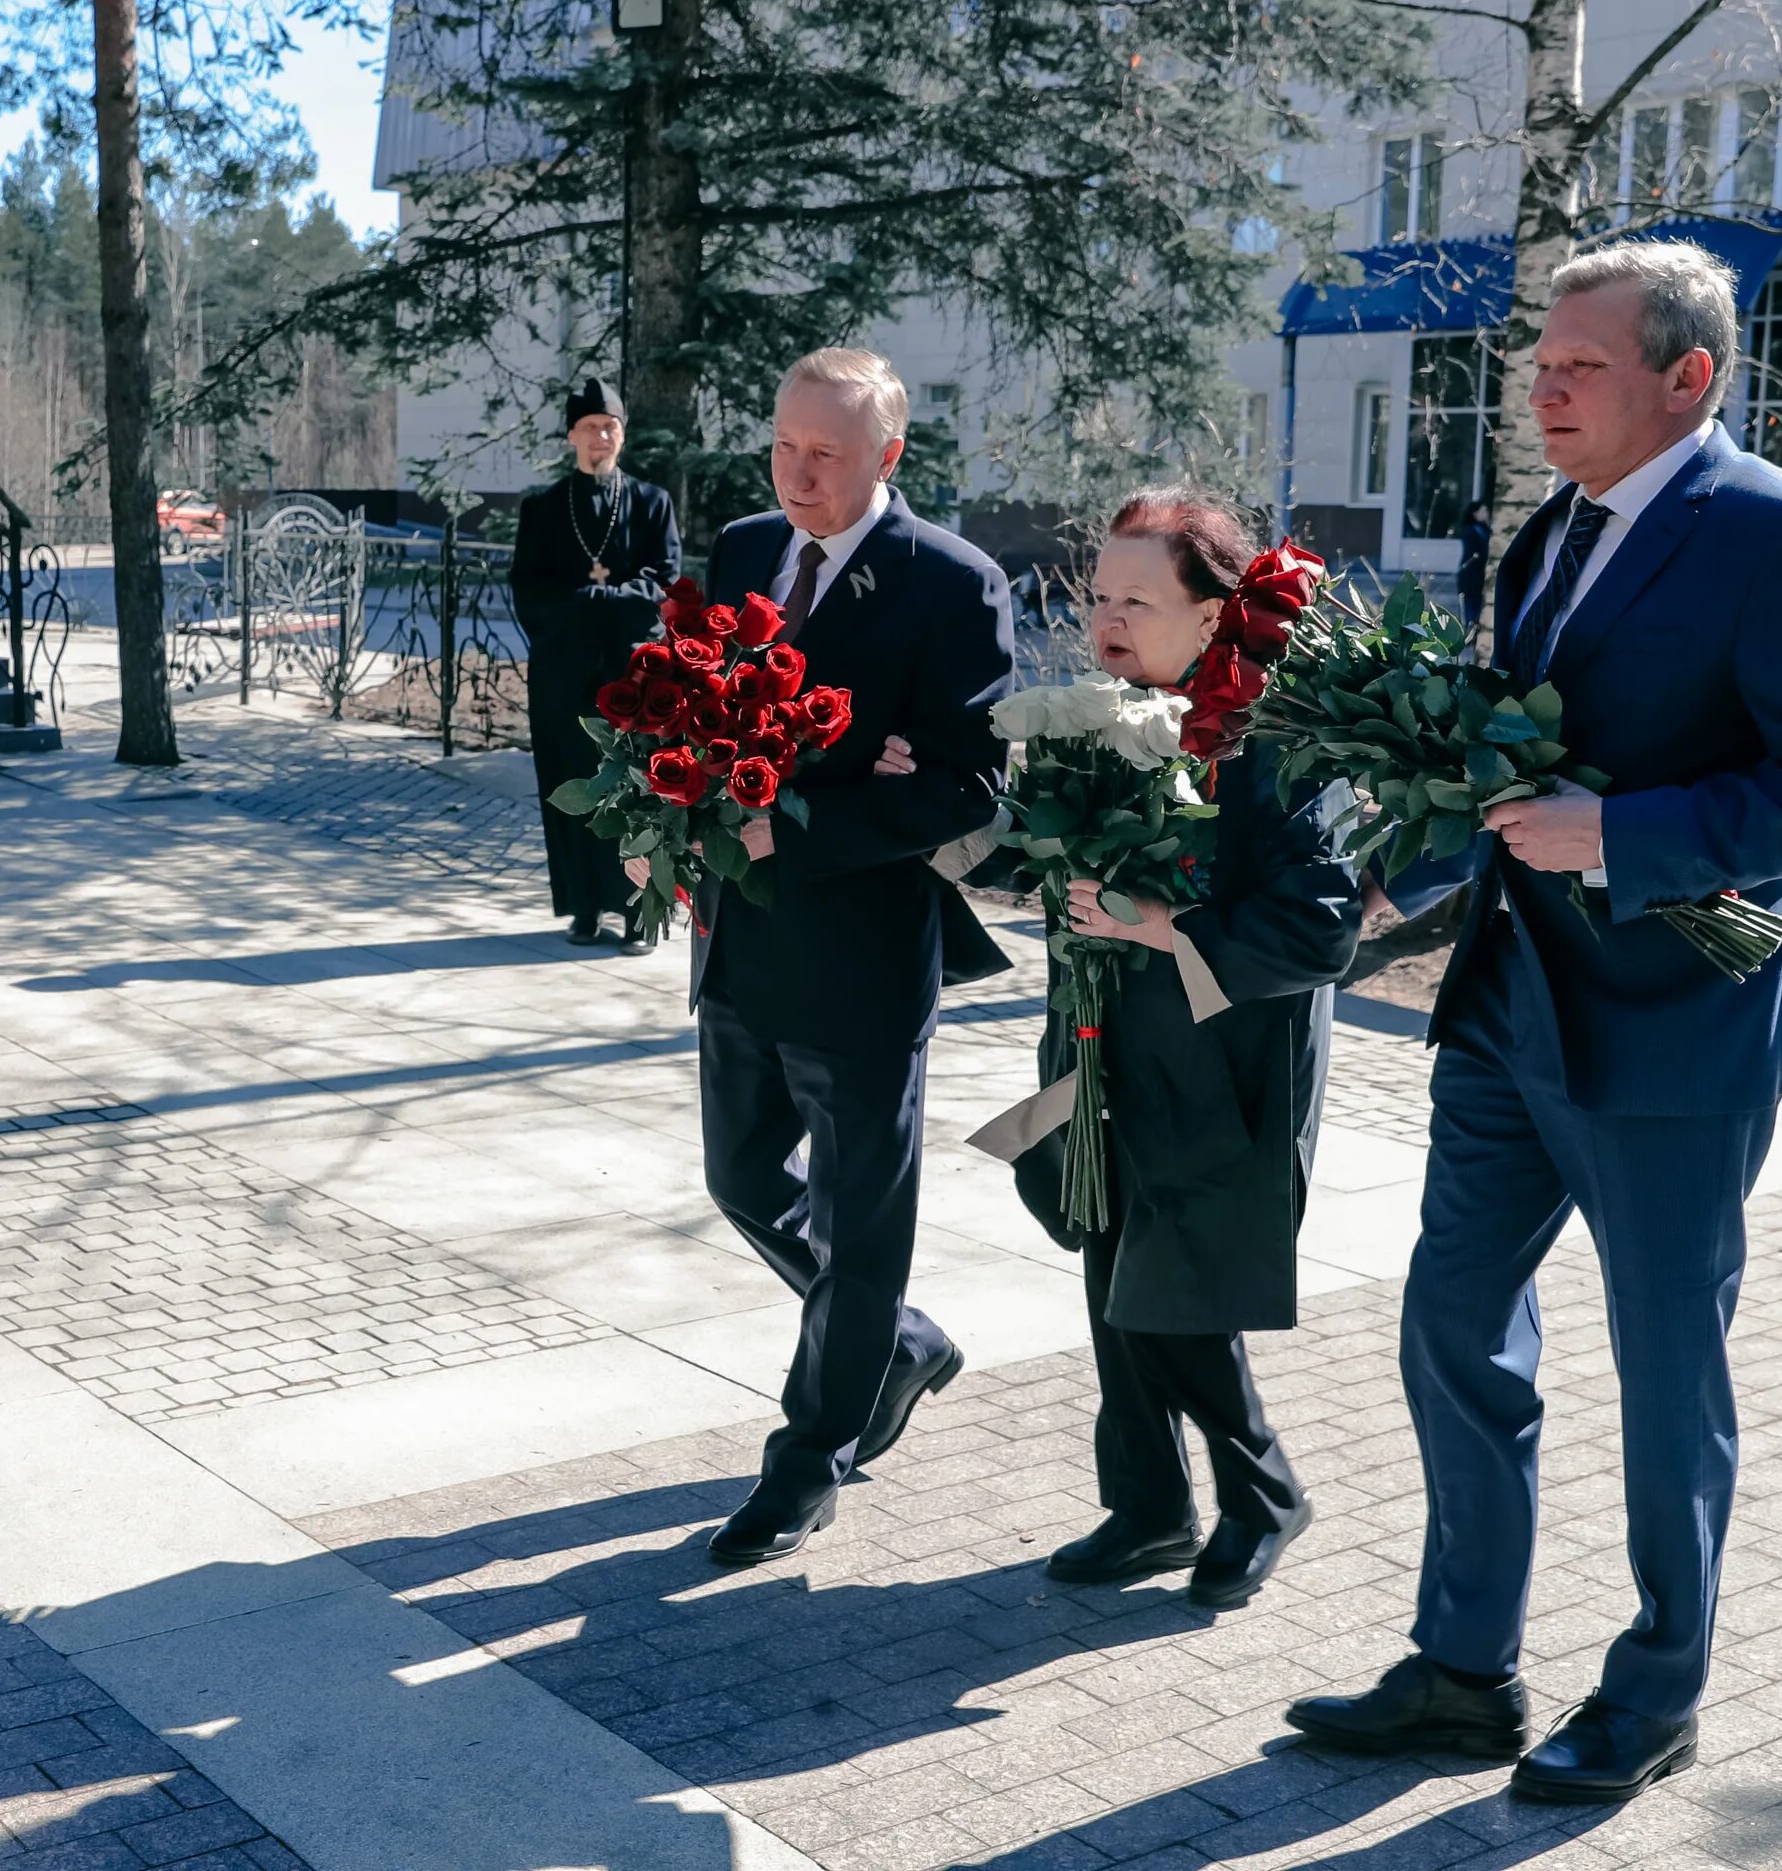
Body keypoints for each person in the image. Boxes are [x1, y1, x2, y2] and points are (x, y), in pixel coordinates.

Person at [1288, 245, 1782, 1801]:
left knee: (1663, 1374)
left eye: (1577, 367)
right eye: (1540, 365)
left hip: (1676, 1036)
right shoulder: (1549, 528)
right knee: (1453, 1329)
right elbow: (1507, 751)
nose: (1541, 391)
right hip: (1510, 1009)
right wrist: (1393, 876)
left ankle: (1654, 1693)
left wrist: (1629, 836)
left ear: (1687, 378)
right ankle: (1461, 1671)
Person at [896, 490, 1361, 1610]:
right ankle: (1150, 1505)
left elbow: (1322, 927)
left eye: (1136, 599)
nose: (1105, 618)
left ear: (1213, 615)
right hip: (1104, 1049)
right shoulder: (1102, 714)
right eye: (1098, 595)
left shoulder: (1272, 739)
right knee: (1115, 1277)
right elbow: (1051, 866)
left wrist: (1161, 925)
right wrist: (939, 818)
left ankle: (1264, 1493)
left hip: (1223, 1059)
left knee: (1173, 1294)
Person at [653, 347, 1016, 1570]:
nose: (799, 474)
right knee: (742, 1177)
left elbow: (971, 790)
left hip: (863, 961)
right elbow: (693, 715)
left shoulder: (952, 584)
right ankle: (897, 1342)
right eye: (785, 446)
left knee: (864, 1225)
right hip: (740, 937)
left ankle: (810, 1459)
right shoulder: (749, 548)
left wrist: (811, 817)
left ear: (887, 457)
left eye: (828, 454)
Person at [512, 378, 682, 948]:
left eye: (610, 426)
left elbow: (663, 583)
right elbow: (530, 593)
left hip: (632, 676)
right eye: (590, 427)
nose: (601, 436)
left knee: (637, 789)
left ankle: (640, 912)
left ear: (622, 434)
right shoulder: (541, 509)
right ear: (571, 436)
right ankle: (584, 907)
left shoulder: (653, 503)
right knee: (569, 785)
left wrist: (599, 600)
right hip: (564, 677)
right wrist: (596, 603)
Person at [1454, 503, 1493, 632]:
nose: (1486, 514)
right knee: (1471, 607)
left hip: (1478, 574)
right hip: (1471, 575)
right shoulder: (1472, 530)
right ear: (1475, 513)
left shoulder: (1483, 529)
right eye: (1483, 511)